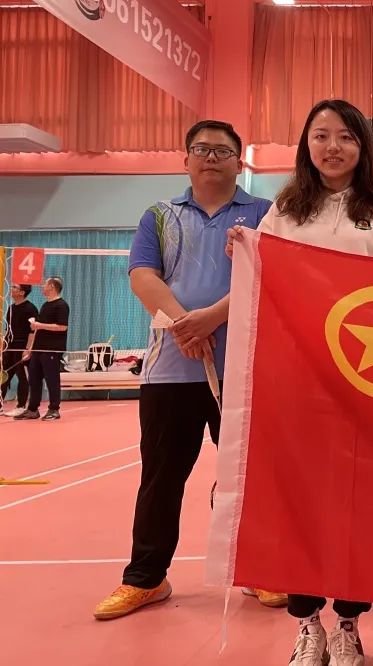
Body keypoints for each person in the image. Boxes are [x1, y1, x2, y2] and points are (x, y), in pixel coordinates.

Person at [229, 99, 373, 666]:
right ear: (306, 144)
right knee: (299, 504)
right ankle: (307, 623)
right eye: (321, 136)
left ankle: (349, 624)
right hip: (298, 382)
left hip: (363, 386)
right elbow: (263, 283)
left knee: (357, 507)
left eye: (346, 137)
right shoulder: (284, 210)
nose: (333, 147)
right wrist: (245, 252)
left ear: (363, 146)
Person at [93, 120, 281, 620]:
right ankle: (146, 578)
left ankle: (257, 570)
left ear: (239, 162)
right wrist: (185, 326)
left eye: (223, 150)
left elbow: (271, 274)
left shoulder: (265, 213)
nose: (211, 157)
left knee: (248, 475)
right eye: (202, 148)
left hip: (245, 370)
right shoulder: (158, 215)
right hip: (170, 371)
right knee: (161, 478)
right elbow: (142, 275)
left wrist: (211, 319)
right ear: (186, 160)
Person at [15, 277, 69, 421]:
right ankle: (33, 409)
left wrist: (39, 325)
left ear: (52, 286)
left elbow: (62, 327)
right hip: (38, 349)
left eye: (45, 284)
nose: (42, 286)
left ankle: (54, 409)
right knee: (34, 379)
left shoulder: (61, 305)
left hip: (52, 349)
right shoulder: (45, 305)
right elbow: (38, 330)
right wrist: (30, 349)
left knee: (52, 380)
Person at [2, 284, 38, 417]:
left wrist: (28, 349)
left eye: (14, 288)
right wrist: (3, 347)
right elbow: (8, 330)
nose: (11, 289)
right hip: (9, 347)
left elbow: (33, 331)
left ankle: (21, 406)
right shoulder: (11, 308)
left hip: (22, 347)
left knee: (22, 377)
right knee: (4, 375)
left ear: (22, 292)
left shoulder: (30, 308)